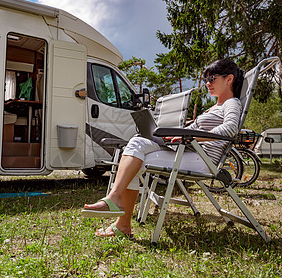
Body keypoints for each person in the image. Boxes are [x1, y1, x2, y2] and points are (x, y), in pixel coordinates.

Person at [81, 59, 244, 238]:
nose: (207, 83)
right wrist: (170, 134)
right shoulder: (215, 107)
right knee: (137, 143)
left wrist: (189, 136)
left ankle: (121, 219)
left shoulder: (232, 103)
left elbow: (230, 129)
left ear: (229, 79)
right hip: (188, 151)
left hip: (202, 159)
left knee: (135, 160)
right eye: (206, 79)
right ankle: (116, 206)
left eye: (212, 78)